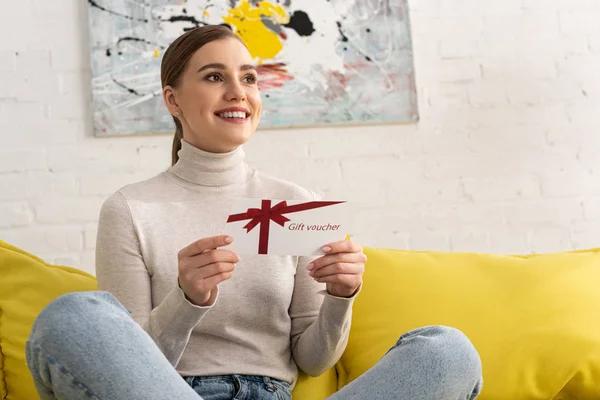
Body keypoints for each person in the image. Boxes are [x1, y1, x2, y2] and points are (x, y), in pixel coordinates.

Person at [26, 25, 483, 400]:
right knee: (74, 316)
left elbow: (312, 359)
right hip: (170, 391)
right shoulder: (131, 209)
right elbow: (132, 366)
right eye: (213, 77)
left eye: (248, 78)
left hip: (271, 391)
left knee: (447, 352)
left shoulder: (294, 204)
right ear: (173, 100)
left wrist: (341, 297)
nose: (237, 92)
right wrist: (187, 300)